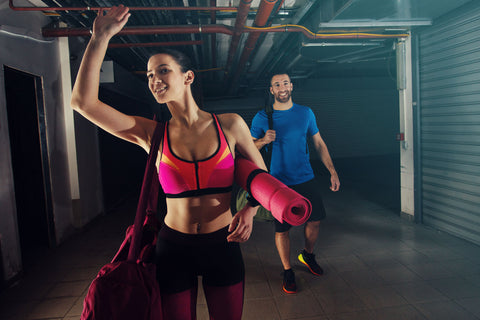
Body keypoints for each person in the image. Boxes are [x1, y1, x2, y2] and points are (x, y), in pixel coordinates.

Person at [70, 5, 266, 319]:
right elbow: (83, 102)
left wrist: (250, 210)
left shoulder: (230, 124)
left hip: (223, 243)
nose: (154, 79)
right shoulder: (151, 133)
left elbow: (261, 175)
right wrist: (99, 38)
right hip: (175, 247)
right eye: (149, 74)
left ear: (187, 77)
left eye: (163, 70)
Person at [250, 72, 340, 294]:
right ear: (271, 90)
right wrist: (263, 140)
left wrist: (332, 171)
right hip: (279, 183)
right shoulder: (262, 117)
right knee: (282, 229)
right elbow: (249, 148)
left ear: (292, 86)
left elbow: (318, 143)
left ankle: (307, 255)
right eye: (277, 84)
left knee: (316, 219)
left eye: (285, 83)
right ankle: (288, 270)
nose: (282, 87)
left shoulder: (305, 113)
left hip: (305, 177)